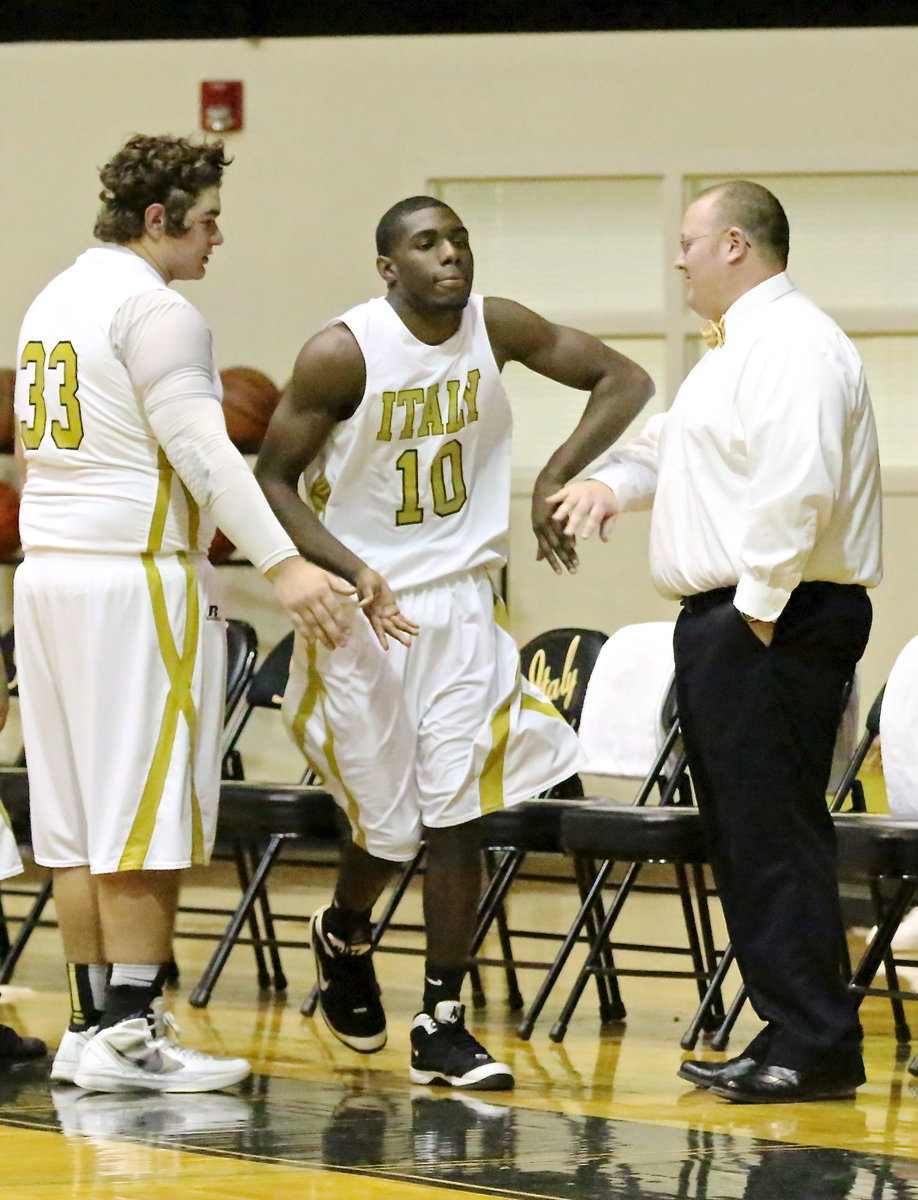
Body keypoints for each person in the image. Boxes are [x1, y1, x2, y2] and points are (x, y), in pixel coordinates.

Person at [12, 133, 386, 1094]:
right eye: (207, 220)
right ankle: (134, 1029)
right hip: (134, 577)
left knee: (81, 818)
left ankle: (94, 1028)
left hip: (48, 578)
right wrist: (286, 562)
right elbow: (208, 455)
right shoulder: (157, 308)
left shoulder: (52, 298)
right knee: (144, 809)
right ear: (158, 220)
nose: (218, 239)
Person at [254, 195, 654, 1089]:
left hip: (463, 602)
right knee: (390, 824)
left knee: (457, 809)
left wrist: (554, 475)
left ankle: (442, 1017)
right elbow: (272, 481)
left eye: (459, 240)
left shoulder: (495, 324)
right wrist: (349, 568)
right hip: (368, 609)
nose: (450, 257)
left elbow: (626, 378)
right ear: (388, 268)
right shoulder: (340, 353)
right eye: (426, 244)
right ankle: (345, 932)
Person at [550, 180, 882, 1104]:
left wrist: (760, 609)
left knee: (775, 834)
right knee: (744, 835)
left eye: (689, 242)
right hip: (740, 620)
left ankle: (817, 1042)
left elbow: (798, 485)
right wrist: (610, 485)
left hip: (774, 617)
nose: (679, 258)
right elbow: (674, 444)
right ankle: (791, 1028)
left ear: (734, 244)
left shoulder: (798, 345)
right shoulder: (738, 348)